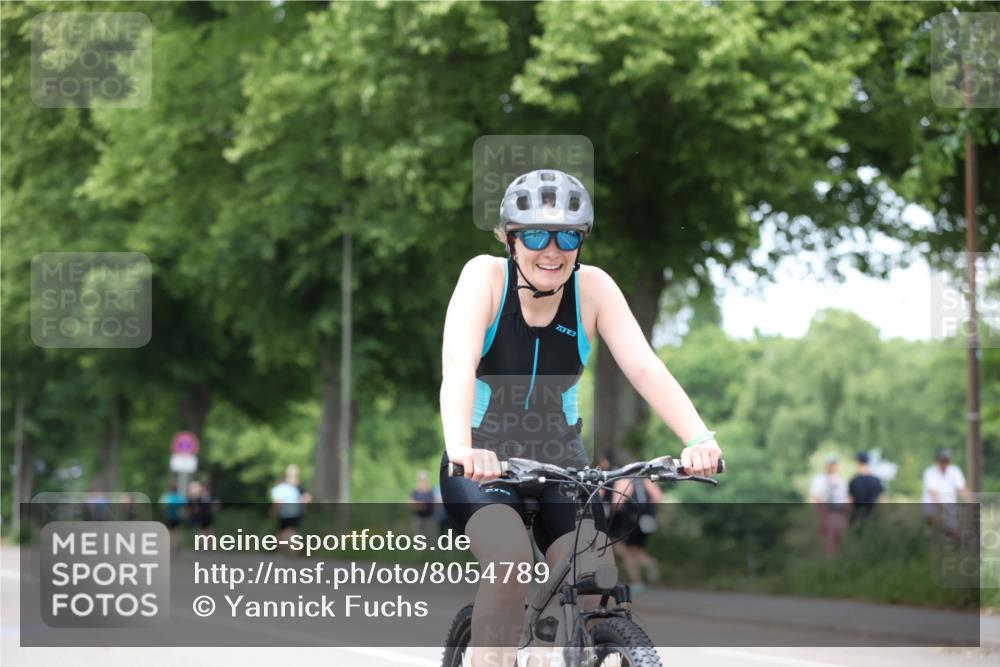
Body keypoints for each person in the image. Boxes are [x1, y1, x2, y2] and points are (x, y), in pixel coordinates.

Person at [439, 169, 723, 667]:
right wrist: (463, 449)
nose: (552, 250)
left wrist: (698, 438)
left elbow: (643, 366)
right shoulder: (483, 277)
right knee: (509, 564)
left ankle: (557, 650)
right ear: (510, 239)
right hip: (484, 455)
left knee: (593, 575)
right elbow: (458, 367)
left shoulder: (593, 288)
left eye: (567, 235)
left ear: (581, 240)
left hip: (561, 460)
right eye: (535, 235)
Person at [608, 468, 663, 593]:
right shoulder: (646, 481)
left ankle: (637, 582)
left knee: (627, 552)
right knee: (635, 549)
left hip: (630, 521)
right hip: (647, 520)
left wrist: (614, 514)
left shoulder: (624, 481)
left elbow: (617, 502)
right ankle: (648, 562)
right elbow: (658, 497)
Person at [922, 448, 971, 540]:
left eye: (946, 460)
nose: (944, 463)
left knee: (954, 533)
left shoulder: (955, 471)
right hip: (934, 508)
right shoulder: (930, 472)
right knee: (936, 529)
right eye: (942, 460)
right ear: (937, 461)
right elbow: (934, 494)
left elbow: (962, 489)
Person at [809, 454, 848, 557]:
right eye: (831, 463)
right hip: (826, 514)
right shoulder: (820, 479)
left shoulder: (841, 480)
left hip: (840, 514)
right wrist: (818, 516)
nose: (833, 466)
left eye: (835, 463)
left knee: (840, 542)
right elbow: (814, 498)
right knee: (828, 544)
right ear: (827, 465)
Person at [271, 465, 311, 547]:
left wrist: (274, 510)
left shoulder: (296, 487)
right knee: (291, 531)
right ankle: (290, 551)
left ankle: (286, 551)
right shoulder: (295, 487)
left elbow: (307, 497)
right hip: (293, 512)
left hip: (289, 512)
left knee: (286, 531)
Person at [847, 451, 883, 528]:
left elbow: (850, 502)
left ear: (858, 462)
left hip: (856, 519)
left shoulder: (853, 481)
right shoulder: (876, 480)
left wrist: (847, 519)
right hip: (872, 519)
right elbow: (882, 501)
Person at [159, 482, 186, 552]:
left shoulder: (167, 496)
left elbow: (163, 506)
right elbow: (183, 506)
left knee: (170, 530)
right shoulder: (180, 497)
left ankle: (171, 545)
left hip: (169, 515)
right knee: (177, 530)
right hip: (178, 516)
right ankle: (176, 545)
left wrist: (164, 512)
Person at [410, 469, 437, 537]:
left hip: (429, 516)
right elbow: (411, 502)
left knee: (429, 535)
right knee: (418, 535)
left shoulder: (430, 491)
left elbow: (434, 502)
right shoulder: (415, 491)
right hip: (418, 517)